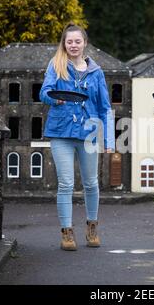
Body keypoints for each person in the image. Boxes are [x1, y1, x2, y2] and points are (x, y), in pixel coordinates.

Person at [40, 23, 115, 251]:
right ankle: (66, 232)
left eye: (77, 41)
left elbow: (104, 108)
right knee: (66, 183)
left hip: (89, 134)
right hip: (61, 132)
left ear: (85, 43)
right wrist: (56, 99)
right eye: (69, 41)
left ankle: (92, 227)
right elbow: (44, 93)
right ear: (64, 43)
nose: (73, 45)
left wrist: (109, 141)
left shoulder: (97, 72)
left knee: (91, 183)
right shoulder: (56, 65)